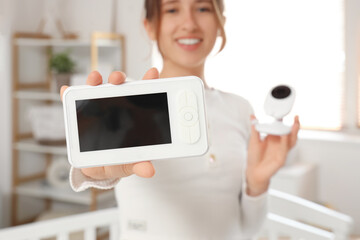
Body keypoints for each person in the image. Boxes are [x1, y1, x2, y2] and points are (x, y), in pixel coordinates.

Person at [60, 0, 300, 239]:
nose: (189, 23)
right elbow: (93, 170)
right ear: (150, 26)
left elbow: (247, 230)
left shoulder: (240, 108)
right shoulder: (128, 100)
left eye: (203, 8)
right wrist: (94, 171)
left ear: (220, 22)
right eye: (172, 10)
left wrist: (257, 185)